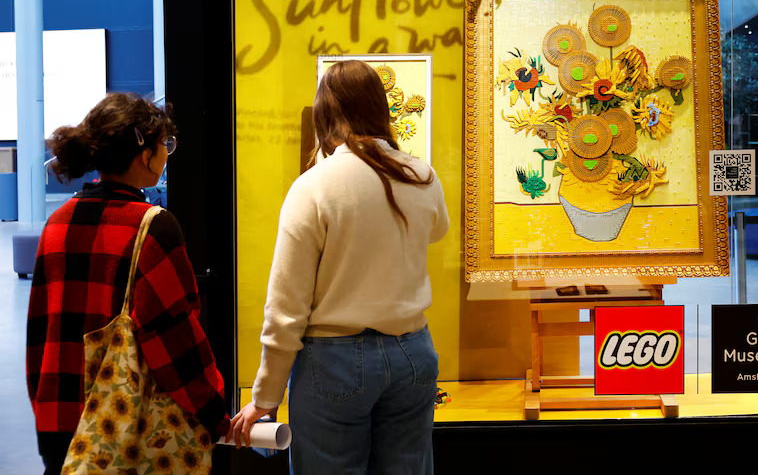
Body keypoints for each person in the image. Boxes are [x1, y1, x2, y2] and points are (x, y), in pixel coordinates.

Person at [229, 61, 449, 475]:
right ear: (381, 109)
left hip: (333, 361)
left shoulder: (315, 185)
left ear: (325, 114)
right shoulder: (422, 175)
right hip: (413, 352)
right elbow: (438, 230)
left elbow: (286, 305)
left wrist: (266, 395)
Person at [26, 93, 230, 475]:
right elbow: (173, 337)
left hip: (59, 424)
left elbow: (41, 333)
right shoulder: (153, 226)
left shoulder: (58, 223)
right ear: (145, 153)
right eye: (164, 143)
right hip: (128, 433)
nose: (167, 153)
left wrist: (46, 417)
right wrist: (212, 410)